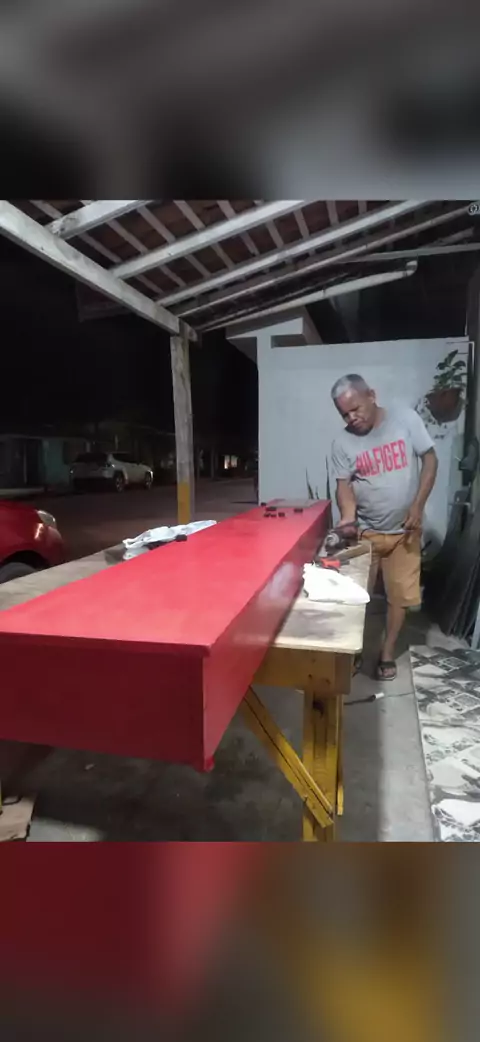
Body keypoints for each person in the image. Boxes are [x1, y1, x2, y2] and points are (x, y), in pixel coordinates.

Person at [330, 374, 438, 681]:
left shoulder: (405, 420)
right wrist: (347, 516)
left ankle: (387, 652)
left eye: (356, 409)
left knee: (399, 598)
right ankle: (353, 651)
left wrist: (418, 505)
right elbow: (344, 486)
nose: (352, 418)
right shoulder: (342, 443)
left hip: (406, 533)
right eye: (345, 414)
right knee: (355, 599)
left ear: (372, 395)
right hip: (366, 533)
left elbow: (430, 460)